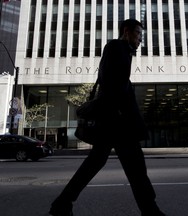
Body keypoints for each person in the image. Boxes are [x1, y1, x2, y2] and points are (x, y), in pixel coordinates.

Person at [49, 19, 165, 216]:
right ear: (127, 32)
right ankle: (150, 210)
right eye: (138, 34)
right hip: (118, 121)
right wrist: (120, 111)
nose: (140, 39)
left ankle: (62, 203)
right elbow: (110, 82)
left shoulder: (123, 50)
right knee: (135, 166)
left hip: (113, 119)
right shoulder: (116, 47)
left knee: (96, 162)